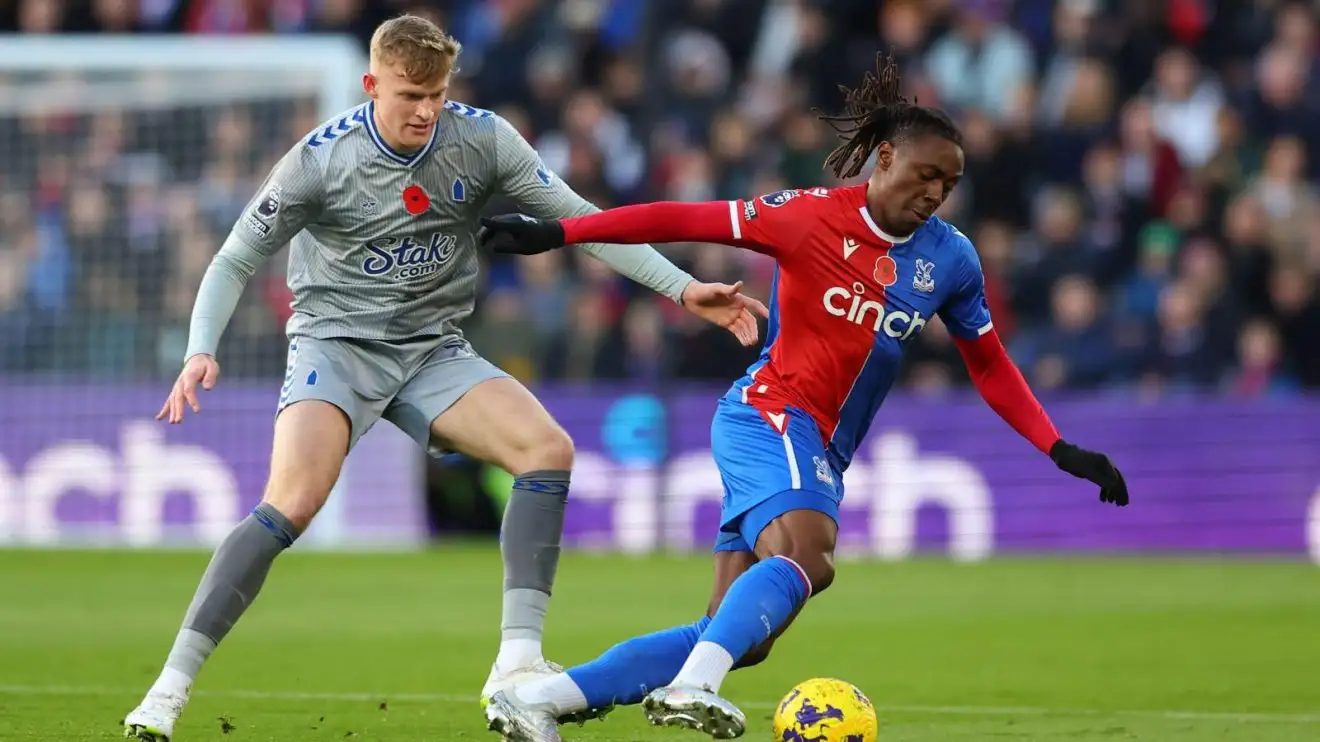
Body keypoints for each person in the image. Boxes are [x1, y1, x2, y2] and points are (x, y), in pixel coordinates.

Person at [122, 14, 766, 742]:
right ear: (371, 86)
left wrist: (683, 289)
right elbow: (236, 258)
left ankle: (516, 666)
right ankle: (166, 693)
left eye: (436, 93)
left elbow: (583, 222)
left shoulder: (482, 140)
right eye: (409, 95)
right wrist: (200, 348)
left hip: (431, 348)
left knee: (546, 450)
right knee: (293, 500)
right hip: (337, 346)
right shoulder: (318, 161)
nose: (425, 110)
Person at [477, 53, 1129, 742]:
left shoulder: (952, 261)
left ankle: (542, 700)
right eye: (926, 174)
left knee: (736, 632)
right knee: (810, 559)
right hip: (771, 414)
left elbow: (991, 366)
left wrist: (1058, 446)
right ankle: (693, 686)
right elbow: (680, 218)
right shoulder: (807, 217)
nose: (937, 192)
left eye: (950, 182)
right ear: (884, 158)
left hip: (814, 446)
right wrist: (558, 233)